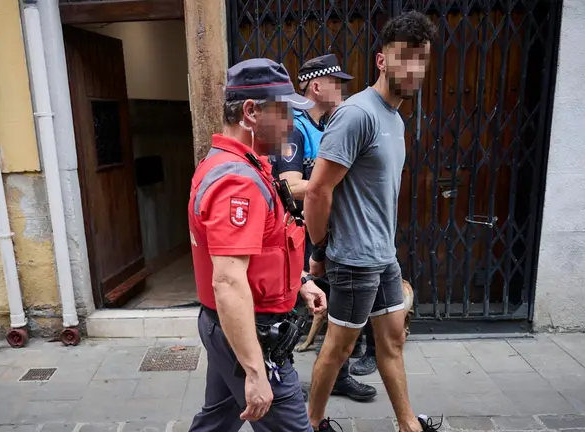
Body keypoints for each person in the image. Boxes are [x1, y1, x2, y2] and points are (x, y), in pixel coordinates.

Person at [303, 12, 441, 432]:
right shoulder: (356, 114)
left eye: (421, 59)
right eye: (405, 57)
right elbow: (318, 190)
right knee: (338, 349)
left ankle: (407, 424)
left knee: (393, 340)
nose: (413, 68)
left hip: (383, 257)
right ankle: (312, 424)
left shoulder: (394, 119)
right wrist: (321, 251)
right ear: (382, 60)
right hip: (353, 260)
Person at [187, 57, 327, 432]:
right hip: (253, 330)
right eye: (283, 112)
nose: (291, 123)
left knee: (216, 421)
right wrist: (254, 372)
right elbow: (229, 281)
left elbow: (264, 248)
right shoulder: (238, 182)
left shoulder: (234, 164)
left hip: (228, 325)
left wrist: (300, 282)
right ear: (250, 112)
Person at [271, 53, 376, 402]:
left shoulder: (329, 125)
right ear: (316, 87)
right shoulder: (294, 127)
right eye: (337, 83)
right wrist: (332, 184)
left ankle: (337, 377)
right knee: (292, 309)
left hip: (326, 235)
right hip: (298, 235)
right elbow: (288, 185)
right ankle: (283, 384)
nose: (343, 90)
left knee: (336, 308)